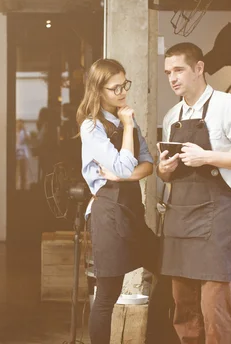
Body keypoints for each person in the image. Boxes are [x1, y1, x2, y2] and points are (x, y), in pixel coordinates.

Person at [157, 42, 231, 343]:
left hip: (216, 217)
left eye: (179, 70)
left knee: (213, 305)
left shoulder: (228, 106)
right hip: (180, 217)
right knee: (183, 306)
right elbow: (166, 176)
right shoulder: (172, 117)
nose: (172, 78)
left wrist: (207, 157)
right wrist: (164, 168)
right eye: (168, 72)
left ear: (199, 68)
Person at [78, 58, 158, 344]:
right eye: (115, 88)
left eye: (125, 85)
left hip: (131, 210)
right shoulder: (92, 127)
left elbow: (149, 164)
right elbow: (128, 166)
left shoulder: (128, 117)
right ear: (98, 91)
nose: (123, 92)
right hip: (108, 213)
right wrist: (126, 126)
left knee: (168, 267)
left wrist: (124, 177)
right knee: (107, 295)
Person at [15, 119, 31, 190]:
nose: (19, 125)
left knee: (24, 173)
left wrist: (24, 130)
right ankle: (17, 188)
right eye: (18, 123)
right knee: (17, 174)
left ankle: (24, 189)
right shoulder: (14, 132)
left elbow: (28, 138)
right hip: (16, 155)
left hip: (24, 155)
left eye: (21, 123)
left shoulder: (24, 132)